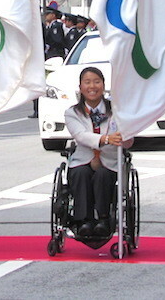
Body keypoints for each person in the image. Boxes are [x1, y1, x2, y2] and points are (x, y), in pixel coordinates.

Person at [64, 67, 132, 237]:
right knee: (80, 173)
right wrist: (106, 139)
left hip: (109, 159)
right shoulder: (73, 113)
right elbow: (80, 136)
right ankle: (83, 221)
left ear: (103, 85)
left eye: (96, 81)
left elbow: (129, 139)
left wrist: (125, 136)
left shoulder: (116, 109)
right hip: (83, 158)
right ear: (80, 87)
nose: (92, 86)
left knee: (103, 175)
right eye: (87, 82)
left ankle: (103, 219)